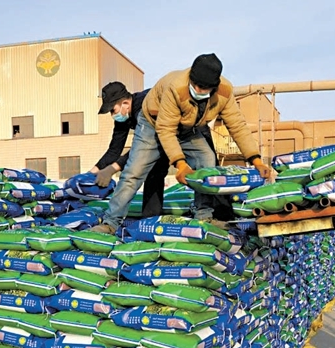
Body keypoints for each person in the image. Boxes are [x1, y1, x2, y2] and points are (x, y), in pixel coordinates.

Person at [91, 53, 271, 234]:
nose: (198, 90)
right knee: (134, 172)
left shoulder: (224, 92)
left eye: (204, 88)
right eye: (195, 85)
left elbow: (237, 125)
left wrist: (256, 160)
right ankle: (110, 223)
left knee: (207, 159)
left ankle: (204, 216)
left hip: (187, 127)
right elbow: (166, 129)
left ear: (214, 87)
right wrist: (181, 164)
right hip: (153, 125)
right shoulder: (176, 88)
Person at [92, 81, 169, 218]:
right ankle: (150, 220)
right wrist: (91, 174)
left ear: (125, 104)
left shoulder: (145, 106)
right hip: (161, 138)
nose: (112, 115)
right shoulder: (123, 117)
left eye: (113, 110)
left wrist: (111, 169)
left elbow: (142, 149)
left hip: (185, 130)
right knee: (153, 170)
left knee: (202, 168)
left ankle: (208, 212)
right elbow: (114, 150)